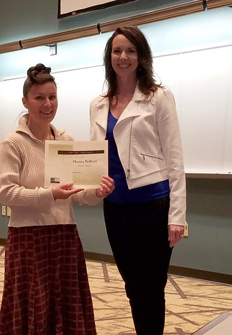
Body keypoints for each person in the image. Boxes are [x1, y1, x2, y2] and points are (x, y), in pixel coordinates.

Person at [0, 63, 114, 335]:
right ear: (25, 102)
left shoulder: (65, 139)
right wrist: (50, 194)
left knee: (65, 304)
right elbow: (4, 193)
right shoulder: (12, 143)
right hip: (27, 239)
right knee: (32, 306)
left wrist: (97, 191)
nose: (47, 104)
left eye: (52, 97)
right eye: (39, 98)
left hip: (65, 234)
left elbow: (79, 192)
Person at [89, 26, 186, 335]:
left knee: (151, 287)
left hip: (154, 206)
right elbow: (94, 158)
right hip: (116, 208)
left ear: (142, 57)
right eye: (117, 51)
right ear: (109, 58)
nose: (123, 56)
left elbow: (175, 158)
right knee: (132, 285)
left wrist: (178, 216)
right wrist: (91, 185)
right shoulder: (98, 104)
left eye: (130, 50)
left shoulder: (158, 97)